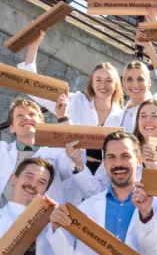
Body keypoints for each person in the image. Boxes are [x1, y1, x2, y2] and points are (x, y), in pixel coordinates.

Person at [0, 69, 97, 206]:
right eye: (20, 115)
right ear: (12, 127)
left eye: (32, 115)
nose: (26, 118)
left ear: (42, 123)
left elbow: (74, 159)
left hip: (42, 227)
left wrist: (63, 117)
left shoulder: (56, 154)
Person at [20, 32, 126, 174]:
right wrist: (33, 46)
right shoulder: (75, 102)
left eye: (109, 80)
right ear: (92, 84)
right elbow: (35, 89)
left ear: (116, 85)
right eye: (98, 80)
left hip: (104, 179)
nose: (103, 85)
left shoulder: (123, 115)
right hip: (68, 174)